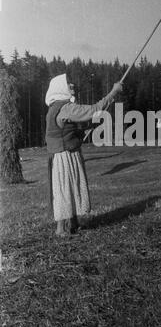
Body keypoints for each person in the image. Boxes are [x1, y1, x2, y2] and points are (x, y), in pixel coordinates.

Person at [45, 73, 122, 237]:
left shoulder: (55, 107)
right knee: (65, 189)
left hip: (65, 152)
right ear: (60, 89)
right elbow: (92, 110)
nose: (73, 87)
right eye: (69, 85)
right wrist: (113, 92)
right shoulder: (65, 107)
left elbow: (67, 129)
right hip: (64, 154)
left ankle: (73, 223)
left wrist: (83, 131)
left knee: (70, 187)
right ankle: (61, 229)